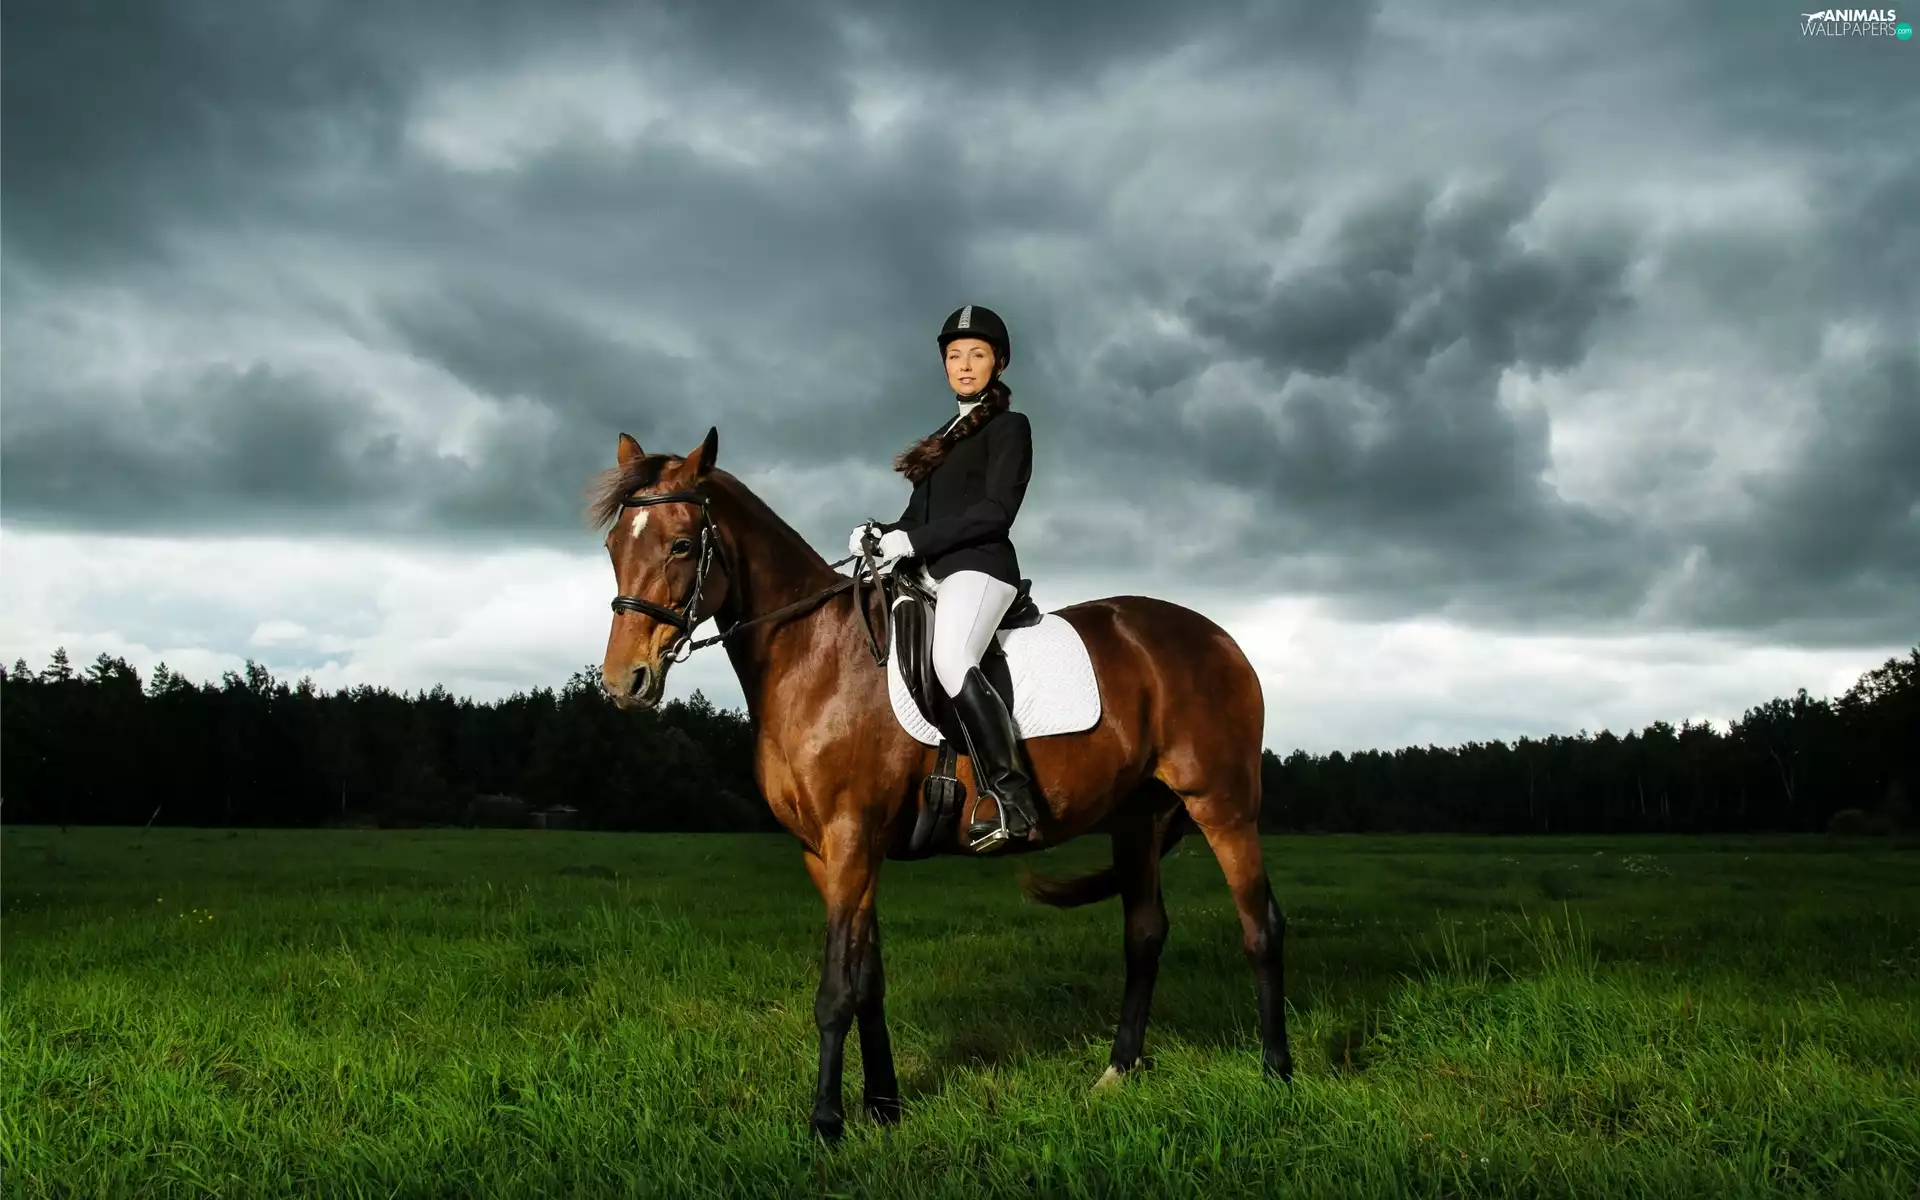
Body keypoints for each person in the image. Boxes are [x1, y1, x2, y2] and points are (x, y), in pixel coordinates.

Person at [847, 304, 1039, 852]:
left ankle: (1012, 799)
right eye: (955, 356)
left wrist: (912, 543)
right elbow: (915, 522)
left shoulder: (1010, 428)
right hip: (930, 572)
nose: (965, 365)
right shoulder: (942, 437)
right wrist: (878, 533)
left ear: (998, 364)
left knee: (952, 657)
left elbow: (996, 512)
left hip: (980, 566)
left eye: (977, 355)